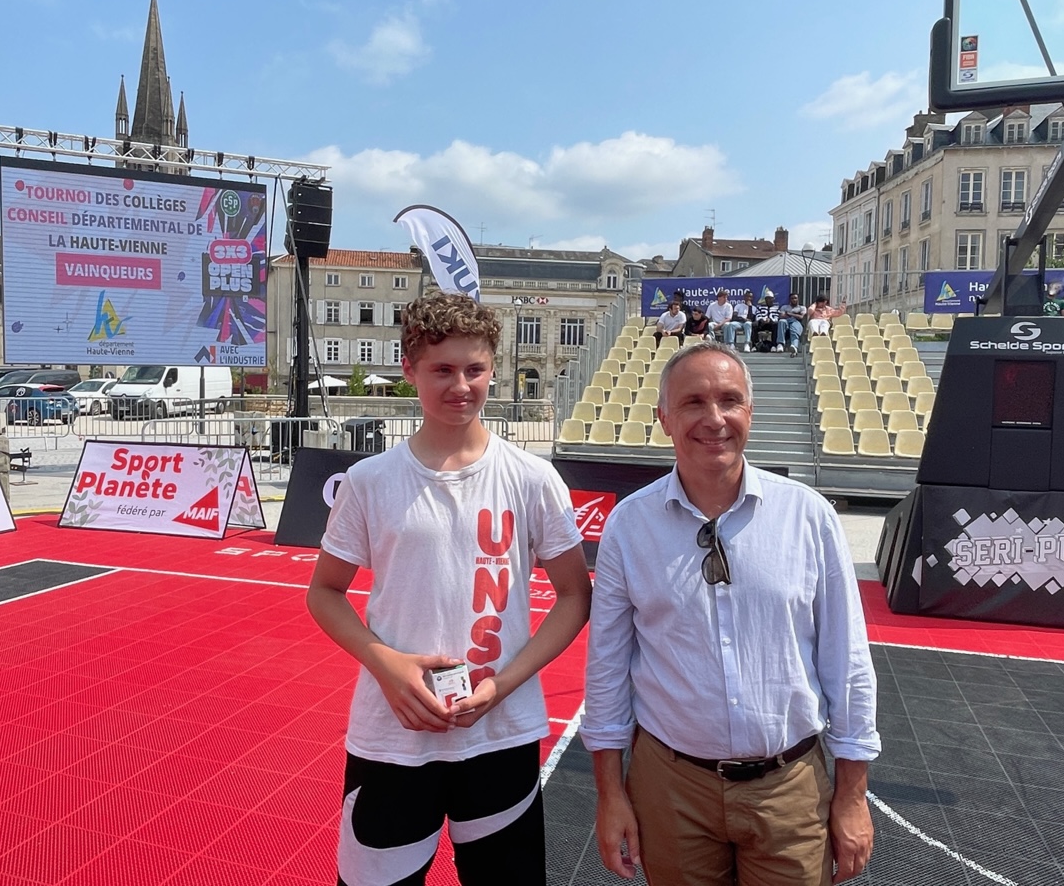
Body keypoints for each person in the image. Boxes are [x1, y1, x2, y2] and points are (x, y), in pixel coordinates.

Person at [307, 292, 592, 886]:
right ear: (410, 369)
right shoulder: (369, 480)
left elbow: (574, 596)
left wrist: (504, 684)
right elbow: (325, 593)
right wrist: (387, 664)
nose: (461, 385)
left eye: (475, 369)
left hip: (501, 734)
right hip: (394, 733)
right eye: (442, 369)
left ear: (493, 369)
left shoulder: (533, 478)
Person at [581, 343, 880, 886]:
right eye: (693, 402)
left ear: (750, 412)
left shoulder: (808, 516)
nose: (714, 418)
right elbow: (607, 669)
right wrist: (610, 794)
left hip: (790, 789)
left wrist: (852, 795)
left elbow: (848, 662)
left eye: (729, 400)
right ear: (664, 417)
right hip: (671, 789)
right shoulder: (629, 524)